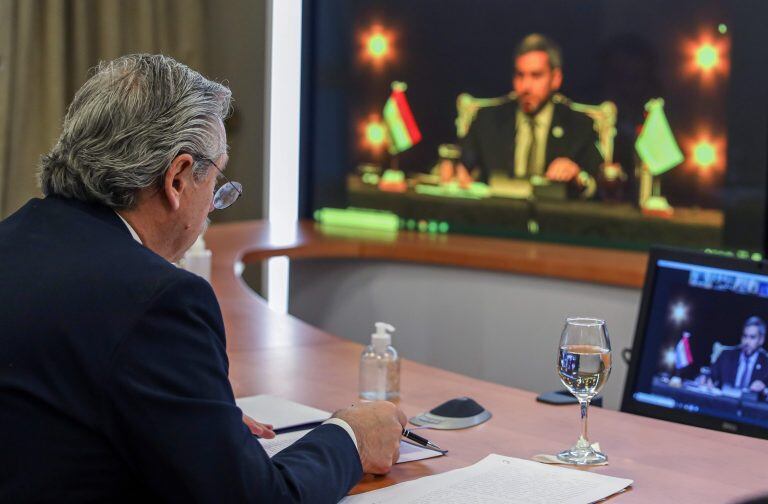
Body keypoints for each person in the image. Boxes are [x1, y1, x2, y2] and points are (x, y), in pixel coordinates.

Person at [0, 54, 405, 502]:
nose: (214, 205)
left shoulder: (12, 239)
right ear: (176, 178)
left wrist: (191, 421)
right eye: (216, 184)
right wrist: (351, 437)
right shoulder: (159, 300)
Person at [454, 33, 603, 198]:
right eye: (520, 75)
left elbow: (599, 186)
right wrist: (454, 170)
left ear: (556, 79)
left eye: (536, 76)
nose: (525, 86)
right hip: (496, 214)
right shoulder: (488, 120)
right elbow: (460, 162)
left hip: (555, 218)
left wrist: (577, 176)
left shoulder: (578, 126)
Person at [708, 316, 768, 394]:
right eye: (744, 336)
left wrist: (764, 386)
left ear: (761, 340)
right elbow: (711, 376)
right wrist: (707, 379)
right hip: (724, 402)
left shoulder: (766, 364)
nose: (747, 342)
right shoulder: (726, 356)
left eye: (752, 337)